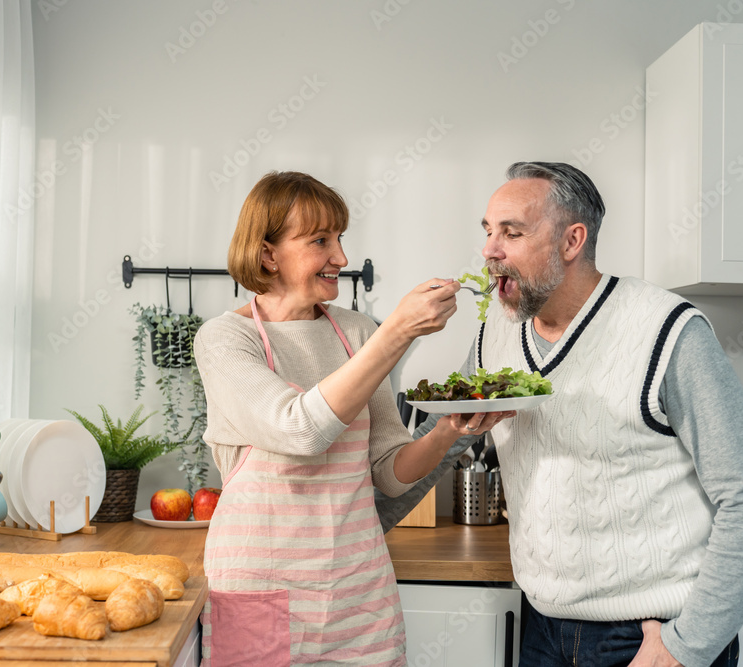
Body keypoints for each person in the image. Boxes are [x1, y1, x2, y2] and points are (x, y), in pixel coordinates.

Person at [375, 162, 743, 667]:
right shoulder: (496, 335)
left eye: (513, 232)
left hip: (649, 636)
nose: (489, 250)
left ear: (572, 241)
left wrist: (687, 648)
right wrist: (363, 531)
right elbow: (447, 440)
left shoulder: (667, 331)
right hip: (542, 628)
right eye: (488, 231)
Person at [194, 171, 514, 667]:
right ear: (267, 254)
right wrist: (399, 333)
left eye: (340, 239)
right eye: (321, 240)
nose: (341, 258)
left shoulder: (356, 330)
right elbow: (300, 431)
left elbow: (389, 471)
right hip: (260, 588)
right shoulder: (225, 340)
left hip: (357, 590)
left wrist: (453, 427)